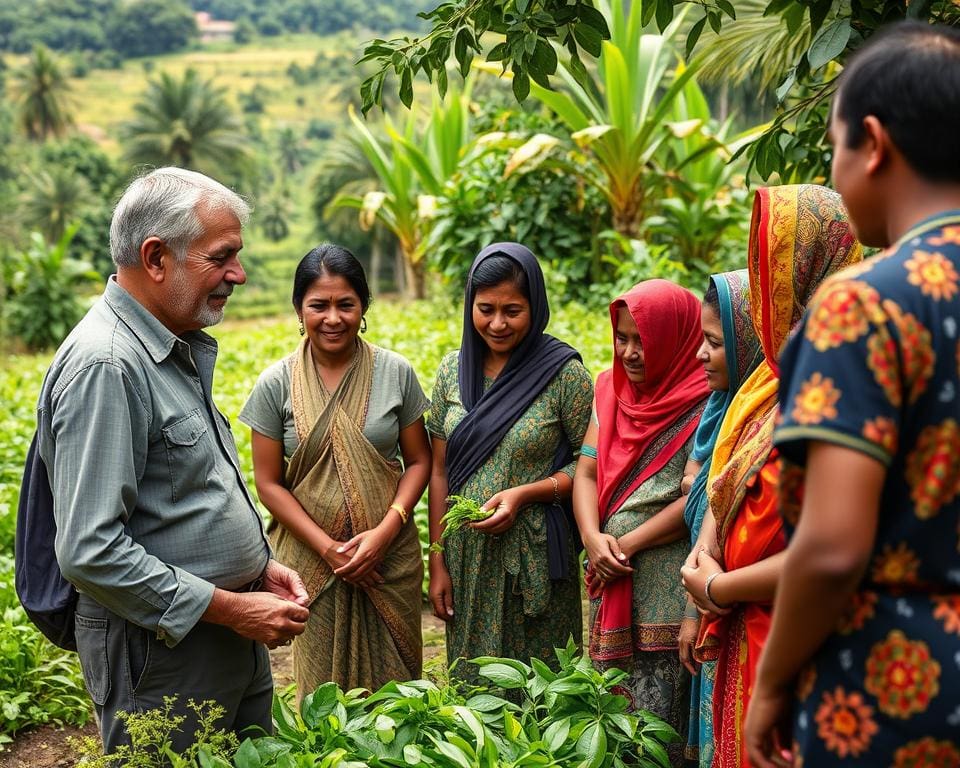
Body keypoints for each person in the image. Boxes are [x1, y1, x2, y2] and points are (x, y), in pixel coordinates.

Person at [35, 167, 311, 753]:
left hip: (221, 631)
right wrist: (231, 607)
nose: (238, 274)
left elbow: (177, 498)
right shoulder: (108, 365)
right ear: (156, 257)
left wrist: (255, 571)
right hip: (160, 656)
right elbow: (90, 550)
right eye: (222, 257)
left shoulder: (164, 345)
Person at [746, 22, 960, 768]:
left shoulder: (864, 307)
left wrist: (772, 683)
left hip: (903, 689)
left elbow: (834, 548)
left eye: (835, 148)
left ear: (872, 142)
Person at [681, 185, 862, 768]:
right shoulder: (768, 377)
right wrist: (706, 551)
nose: (764, 296)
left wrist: (716, 588)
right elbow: (729, 477)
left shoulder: (840, 388)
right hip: (739, 622)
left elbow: (832, 547)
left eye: (773, 274)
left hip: (794, 631)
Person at [239, 244, 431, 695]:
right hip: (313, 565)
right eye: (318, 305)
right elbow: (268, 483)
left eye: (346, 304)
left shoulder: (395, 373)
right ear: (298, 309)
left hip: (390, 561)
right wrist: (331, 550)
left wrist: (385, 533)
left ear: (363, 306)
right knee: (325, 699)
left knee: (398, 697)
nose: (333, 317)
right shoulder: (276, 383)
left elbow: (420, 461)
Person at [427, 243, 593, 679]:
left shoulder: (563, 374)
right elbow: (440, 470)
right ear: (470, 307)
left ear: (534, 307)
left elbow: (591, 466)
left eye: (512, 311)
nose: (497, 324)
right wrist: (438, 559)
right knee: (473, 679)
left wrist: (526, 494)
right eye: (486, 309)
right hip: (468, 556)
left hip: (536, 552)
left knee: (542, 680)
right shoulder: (452, 371)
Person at [574, 279, 710, 765]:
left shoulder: (704, 399)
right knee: (610, 709)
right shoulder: (608, 388)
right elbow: (586, 471)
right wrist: (592, 538)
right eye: (622, 338)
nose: (630, 353)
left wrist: (625, 544)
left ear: (676, 339)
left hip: (665, 579)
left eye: (643, 341)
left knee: (661, 710)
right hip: (609, 567)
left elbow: (698, 499)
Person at [680, 271, 762, 768]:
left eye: (714, 343)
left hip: (738, 603)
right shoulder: (721, 410)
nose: (700, 356)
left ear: (748, 341)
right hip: (708, 594)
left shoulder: (765, 416)